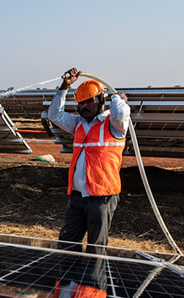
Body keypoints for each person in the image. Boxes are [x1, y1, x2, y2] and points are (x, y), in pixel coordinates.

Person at [48, 68, 130, 253]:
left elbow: (120, 114)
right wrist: (64, 87)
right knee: (67, 243)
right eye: (80, 103)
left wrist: (117, 98)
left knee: (96, 247)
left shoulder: (113, 125)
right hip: (77, 196)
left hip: (101, 197)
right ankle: (70, 281)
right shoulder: (78, 124)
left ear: (101, 100)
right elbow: (55, 115)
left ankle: (92, 282)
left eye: (88, 101)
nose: (83, 106)